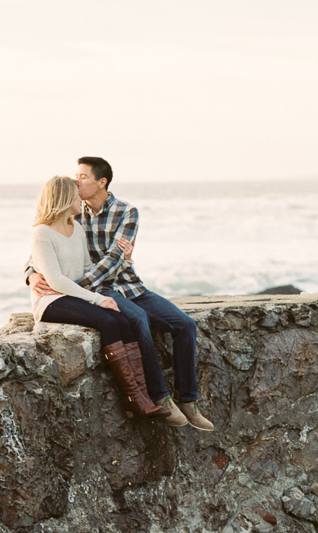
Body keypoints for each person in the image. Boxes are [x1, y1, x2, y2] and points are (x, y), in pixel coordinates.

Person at [27, 157, 214, 430]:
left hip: (127, 285)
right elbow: (41, 250)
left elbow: (114, 259)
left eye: (83, 176)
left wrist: (76, 285)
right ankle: (160, 397)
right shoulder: (73, 215)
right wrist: (31, 274)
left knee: (185, 325)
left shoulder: (126, 212)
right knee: (138, 320)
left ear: (101, 182)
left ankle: (188, 400)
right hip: (100, 289)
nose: (76, 181)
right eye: (75, 177)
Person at [30, 175, 166, 420]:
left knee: (122, 320)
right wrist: (97, 299)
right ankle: (133, 398)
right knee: (108, 321)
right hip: (51, 301)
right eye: (74, 194)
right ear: (62, 199)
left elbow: (85, 268)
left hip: (74, 295)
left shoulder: (77, 228)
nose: (78, 198)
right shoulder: (42, 233)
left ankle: (142, 397)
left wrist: (124, 259)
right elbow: (56, 281)